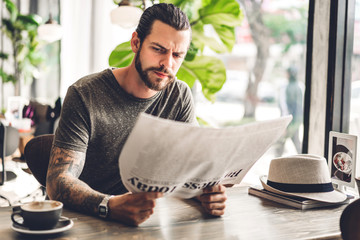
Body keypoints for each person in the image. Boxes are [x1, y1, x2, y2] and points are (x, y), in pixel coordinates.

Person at [46, 3, 227, 226]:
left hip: (147, 222)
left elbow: (191, 167)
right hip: (85, 223)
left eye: (177, 55)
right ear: (135, 42)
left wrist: (206, 193)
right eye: (158, 49)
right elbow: (57, 182)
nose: (167, 64)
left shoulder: (179, 96)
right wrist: (108, 206)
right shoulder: (85, 94)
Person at [276, 65, 304, 156]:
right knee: (296, 141)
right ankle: (303, 158)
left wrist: (285, 124)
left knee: (281, 142)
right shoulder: (299, 86)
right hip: (297, 119)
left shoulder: (287, 87)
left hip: (289, 120)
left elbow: (285, 107)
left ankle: (276, 162)